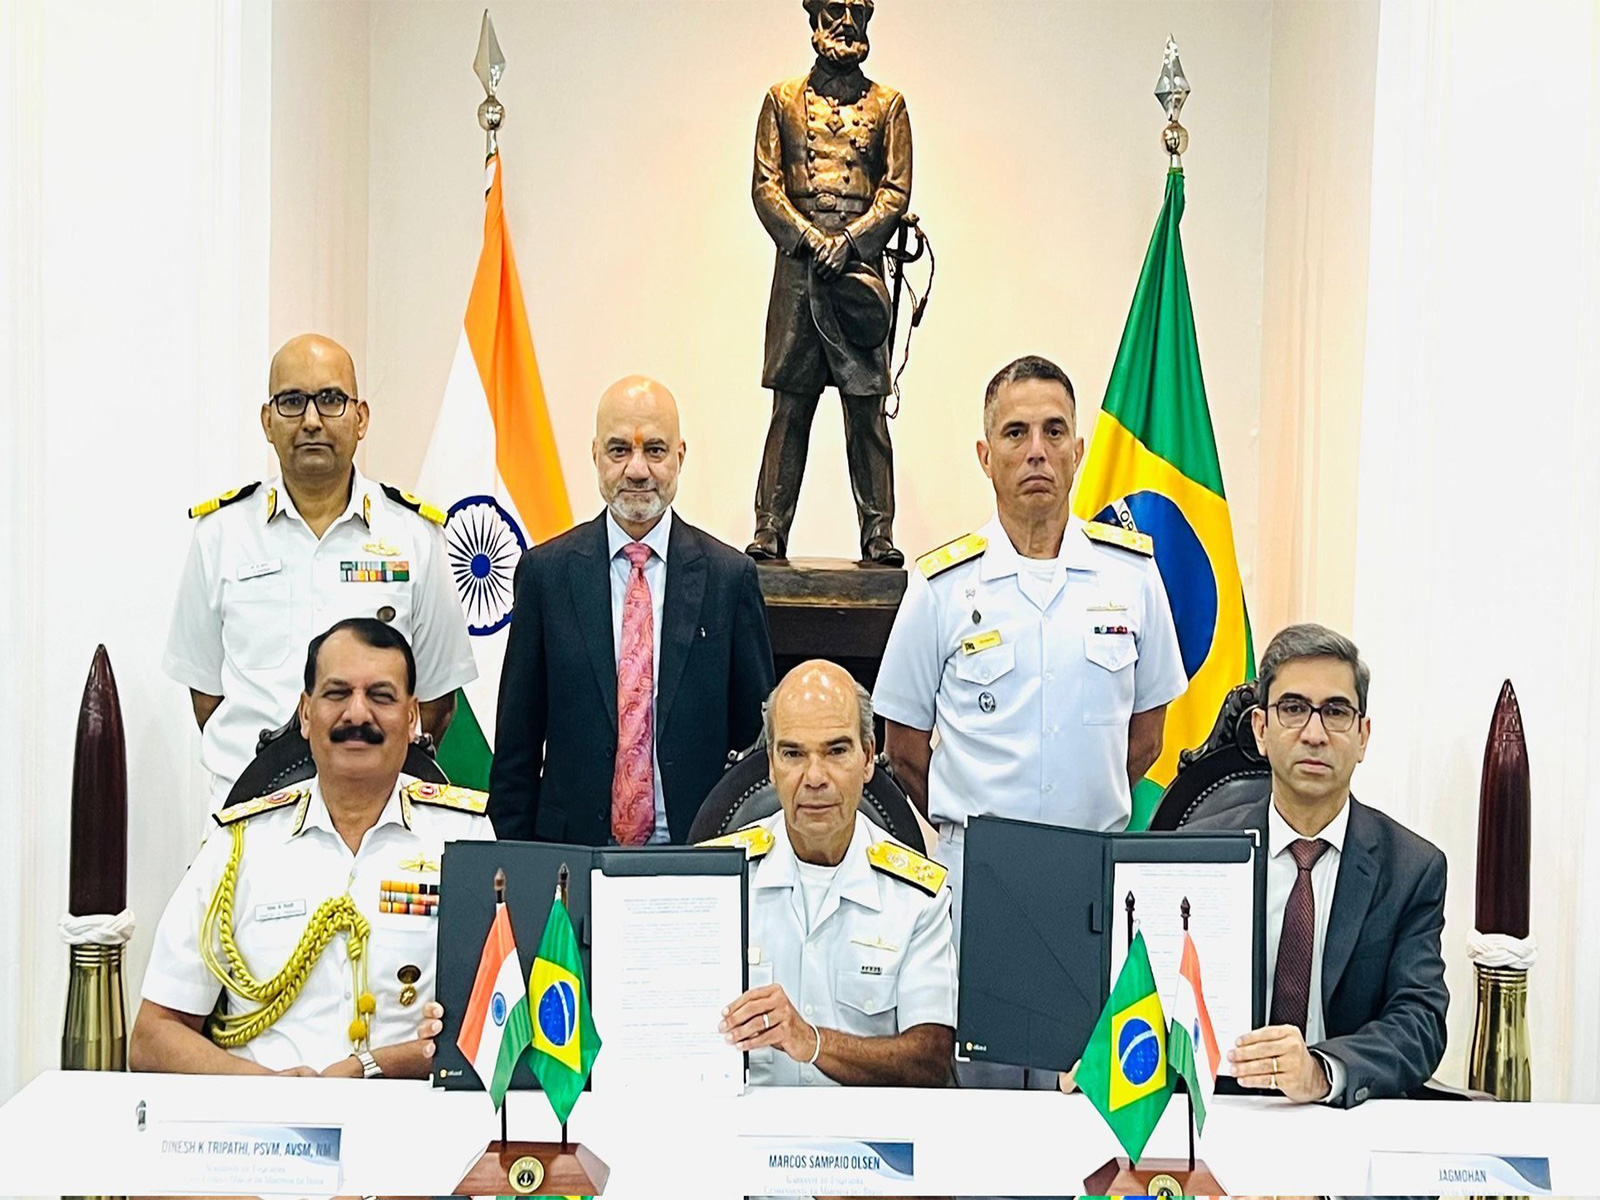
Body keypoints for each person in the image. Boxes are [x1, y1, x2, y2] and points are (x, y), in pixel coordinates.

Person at [873, 355, 1187, 933]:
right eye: (1016, 433)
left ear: (1078, 451)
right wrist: (977, 829)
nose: (1037, 451)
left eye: (1054, 431)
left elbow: (1147, 738)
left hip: (1094, 869)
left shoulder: (1133, 575)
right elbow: (905, 750)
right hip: (979, 877)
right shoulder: (941, 587)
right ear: (985, 456)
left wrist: (1082, 812)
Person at [131, 618, 494, 1077]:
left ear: (411, 718)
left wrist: (371, 1066)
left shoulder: (466, 839)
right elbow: (152, 1036)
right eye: (337, 694)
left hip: (413, 1110)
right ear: (305, 714)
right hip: (261, 1116)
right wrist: (268, 1088)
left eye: (381, 696)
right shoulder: (237, 845)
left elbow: (503, 1026)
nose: (357, 714)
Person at [164, 333, 476, 808]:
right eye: (292, 402)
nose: (311, 420)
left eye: (330, 400)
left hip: (377, 817)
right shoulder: (221, 536)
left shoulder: (414, 537)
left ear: (361, 417)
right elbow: (207, 697)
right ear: (267, 421)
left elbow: (435, 699)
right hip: (249, 814)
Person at [490, 375, 776, 845]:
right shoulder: (546, 575)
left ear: (680, 456)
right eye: (619, 450)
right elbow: (515, 751)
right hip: (571, 855)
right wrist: (514, 865)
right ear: (596, 456)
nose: (637, 470)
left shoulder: (729, 579)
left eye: (655, 451)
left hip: (696, 852)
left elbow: (758, 751)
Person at [1187, 623, 1448, 1107]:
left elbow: (1419, 1024)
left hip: (1343, 1115)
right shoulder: (1196, 849)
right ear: (1261, 730)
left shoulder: (1411, 869)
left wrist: (1323, 1071)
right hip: (1217, 1109)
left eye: (1336, 712)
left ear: (1362, 737)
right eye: (1293, 709)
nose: (1314, 734)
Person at [712, 660, 955, 1086]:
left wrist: (813, 1042)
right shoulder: (713, 882)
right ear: (770, 765)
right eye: (793, 754)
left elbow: (930, 1061)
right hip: (744, 1121)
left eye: (836, 751)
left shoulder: (918, 896)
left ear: (867, 757)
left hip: (867, 1127)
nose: (815, 777)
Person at [747, 0, 912, 565]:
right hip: (798, 281)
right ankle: (770, 528)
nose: (845, 23)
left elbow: (894, 191)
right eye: (834, 10)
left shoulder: (889, 105)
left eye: (856, 13)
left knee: (866, 415)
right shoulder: (780, 100)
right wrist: (808, 237)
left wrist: (850, 242)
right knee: (790, 410)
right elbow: (766, 187)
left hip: (858, 280)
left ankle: (878, 533)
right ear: (814, 19)